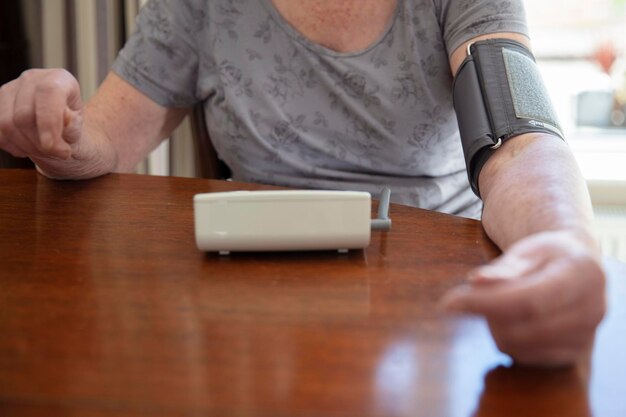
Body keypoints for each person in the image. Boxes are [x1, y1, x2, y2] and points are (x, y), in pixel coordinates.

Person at [0, 0, 606, 366]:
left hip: (434, 295)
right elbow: (101, 141)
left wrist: (562, 241)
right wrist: (56, 132)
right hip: (253, 302)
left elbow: (518, 136)